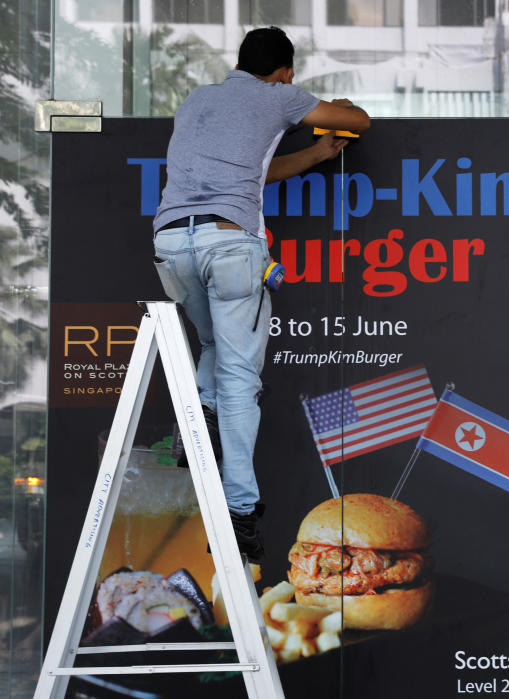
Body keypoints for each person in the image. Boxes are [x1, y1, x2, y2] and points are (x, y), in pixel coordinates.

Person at [152, 26, 371, 560]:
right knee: (240, 380)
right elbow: (359, 121)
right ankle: (240, 509)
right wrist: (333, 111)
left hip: (170, 243)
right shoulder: (280, 95)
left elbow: (254, 171)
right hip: (230, 245)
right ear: (286, 72)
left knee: (212, 348)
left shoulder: (200, 99)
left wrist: (317, 155)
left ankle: (196, 419)